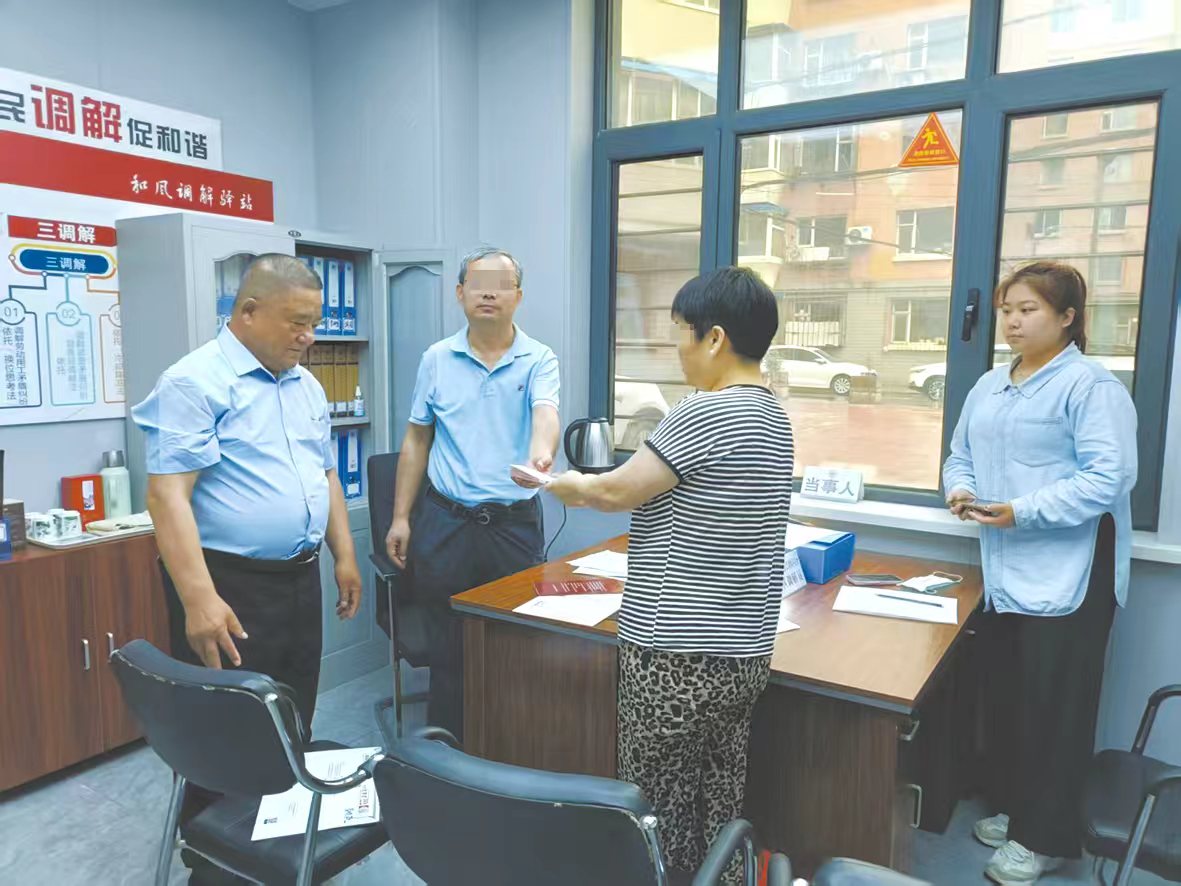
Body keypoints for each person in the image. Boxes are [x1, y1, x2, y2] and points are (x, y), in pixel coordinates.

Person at [536, 267, 793, 883]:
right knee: (719, 798)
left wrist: (568, 486)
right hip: (744, 650)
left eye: (681, 331)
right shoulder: (775, 415)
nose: (677, 348)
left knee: (654, 807)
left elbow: (617, 490)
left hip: (675, 652)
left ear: (715, 338)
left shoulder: (701, 411)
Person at [132, 253, 362, 885]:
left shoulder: (305, 386)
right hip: (228, 585)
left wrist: (343, 554)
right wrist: (199, 600)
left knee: (291, 714)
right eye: (297, 322)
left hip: (298, 578)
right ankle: (215, 862)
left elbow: (324, 473)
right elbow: (168, 497)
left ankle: (277, 845)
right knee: (224, 729)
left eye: (314, 323)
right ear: (249, 311)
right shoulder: (194, 382)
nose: (308, 336)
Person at [943, 261, 1137, 886]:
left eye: (1028, 310)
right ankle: (1020, 812)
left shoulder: (1090, 386)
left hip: (1072, 572)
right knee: (1013, 702)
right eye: (1007, 310)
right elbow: (960, 453)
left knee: (1057, 710)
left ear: (1067, 317)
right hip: (1006, 570)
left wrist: (1021, 511)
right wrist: (960, 489)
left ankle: (1047, 840)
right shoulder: (989, 385)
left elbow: (1109, 478)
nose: (1012, 321)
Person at [386, 246, 560, 740]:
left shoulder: (539, 358)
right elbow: (417, 438)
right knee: (446, 647)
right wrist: (401, 517)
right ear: (460, 293)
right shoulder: (437, 359)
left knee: (515, 641)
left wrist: (541, 456)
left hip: (512, 526)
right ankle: (446, 751)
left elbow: (546, 413)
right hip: (446, 522)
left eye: (501, 285)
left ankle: (506, 747)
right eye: (478, 284)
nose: (489, 294)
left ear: (518, 297)